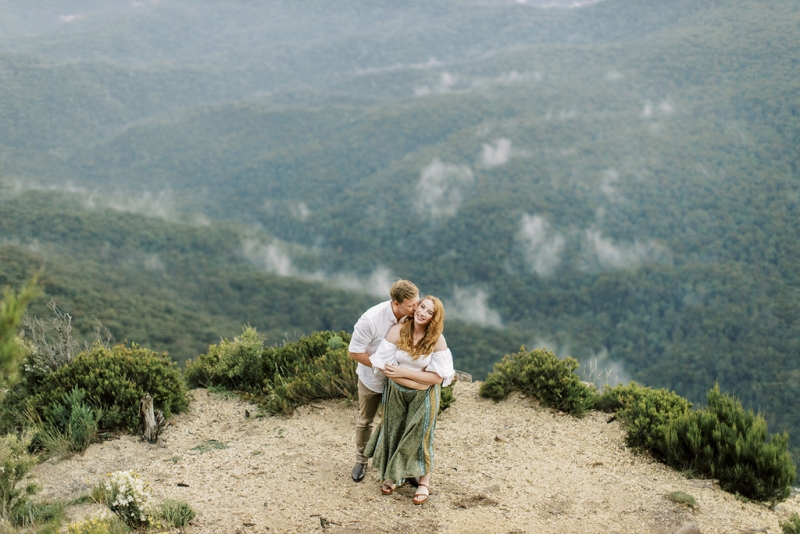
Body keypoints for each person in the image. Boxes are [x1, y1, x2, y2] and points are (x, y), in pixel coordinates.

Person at [364, 295, 455, 505]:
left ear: (434, 318)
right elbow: (384, 366)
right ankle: (395, 475)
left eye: (429, 312)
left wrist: (405, 374)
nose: (422, 313)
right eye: (422, 307)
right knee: (394, 430)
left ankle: (424, 482)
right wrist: (416, 381)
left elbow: (438, 378)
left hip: (424, 395)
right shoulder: (398, 330)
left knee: (421, 434)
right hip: (396, 391)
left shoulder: (437, 339)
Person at [348, 279, 420, 482]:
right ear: (396, 304)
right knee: (366, 420)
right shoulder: (371, 320)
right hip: (372, 380)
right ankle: (361, 460)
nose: (416, 308)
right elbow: (354, 352)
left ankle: (401, 466)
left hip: (400, 381)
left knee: (400, 422)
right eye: (411, 305)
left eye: (417, 303)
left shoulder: (415, 316)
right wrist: (382, 367)